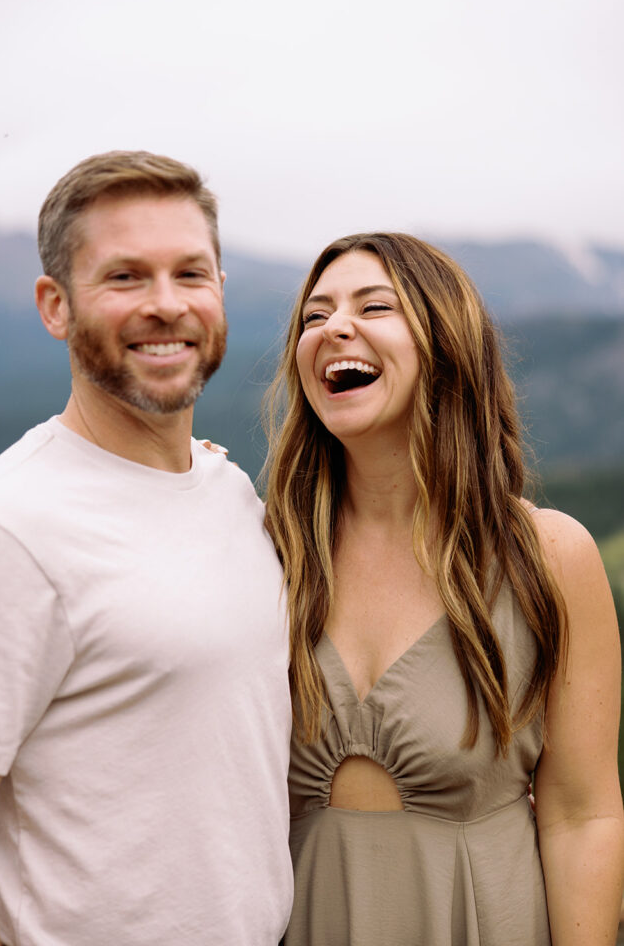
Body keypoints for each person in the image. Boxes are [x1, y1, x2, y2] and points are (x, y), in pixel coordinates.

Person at [0, 151, 293, 946]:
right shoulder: (1, 531)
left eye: (189, 274)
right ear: (54, 306)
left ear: (220, 292)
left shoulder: (228, 491)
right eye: (125, 277)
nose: (166, 306)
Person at [264, 232, 624, 945]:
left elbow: (581, 815)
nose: (335, 327)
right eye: (314, 316)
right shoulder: (269, 552)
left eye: (374, 306)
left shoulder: (546, 557)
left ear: (446, 344)